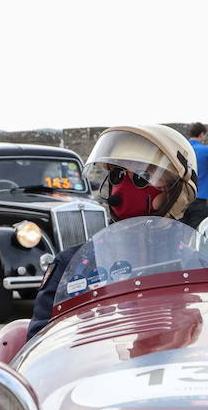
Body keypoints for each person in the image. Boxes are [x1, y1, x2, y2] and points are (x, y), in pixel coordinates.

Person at [26, 124, 198, 340]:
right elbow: (39, 344)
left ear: (177, 191)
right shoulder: (73, 268)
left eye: (141, 175)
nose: (123, 187)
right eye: (117, 175)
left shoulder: (198, 267)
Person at [181, 122, 208, 229]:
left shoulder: (182, 149)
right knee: (197, 232)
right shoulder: (207, 151)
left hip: (182, 198)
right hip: (200, 198)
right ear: (202, 134)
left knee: (181, 231)